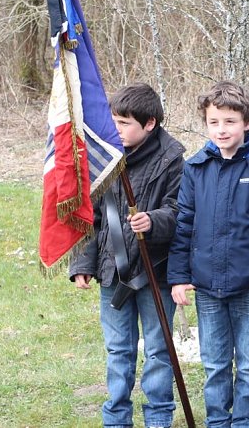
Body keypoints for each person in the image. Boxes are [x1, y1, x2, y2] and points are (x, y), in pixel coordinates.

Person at [168, 80, 249, 428]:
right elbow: (184, 225)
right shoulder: (196, 168)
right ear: (206, 124)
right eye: (214, 122)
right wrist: (179, 276)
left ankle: (245, 421)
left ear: (247, 123)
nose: (221, 130)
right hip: (207, 285)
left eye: (230, 122)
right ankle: (218, 421)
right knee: (215, 362)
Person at [69, 82, 185, 428]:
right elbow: (93, 217)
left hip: (155, 271)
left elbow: (181, 211)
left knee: (158, 350)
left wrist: (155, 220)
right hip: (113, 271)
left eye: (124, 123)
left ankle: (159, 418)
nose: (115, 130)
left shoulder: (173, 160)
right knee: (119, 350)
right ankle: (117, 418)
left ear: (149, 124)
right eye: (113, 121)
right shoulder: (106, 157)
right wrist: (83, 263)